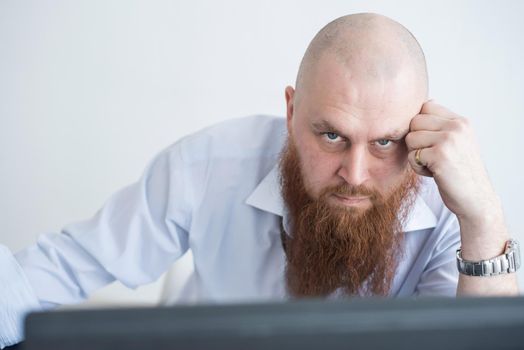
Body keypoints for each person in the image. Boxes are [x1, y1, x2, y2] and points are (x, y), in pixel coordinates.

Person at [0, 12, 519, 348]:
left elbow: (476, 345)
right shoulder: (207, 166)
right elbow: (57, 270)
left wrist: (484, 217)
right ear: (292, 111)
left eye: (385, 142)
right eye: (332, 135)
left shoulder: (449, 209)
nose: (355, 175)